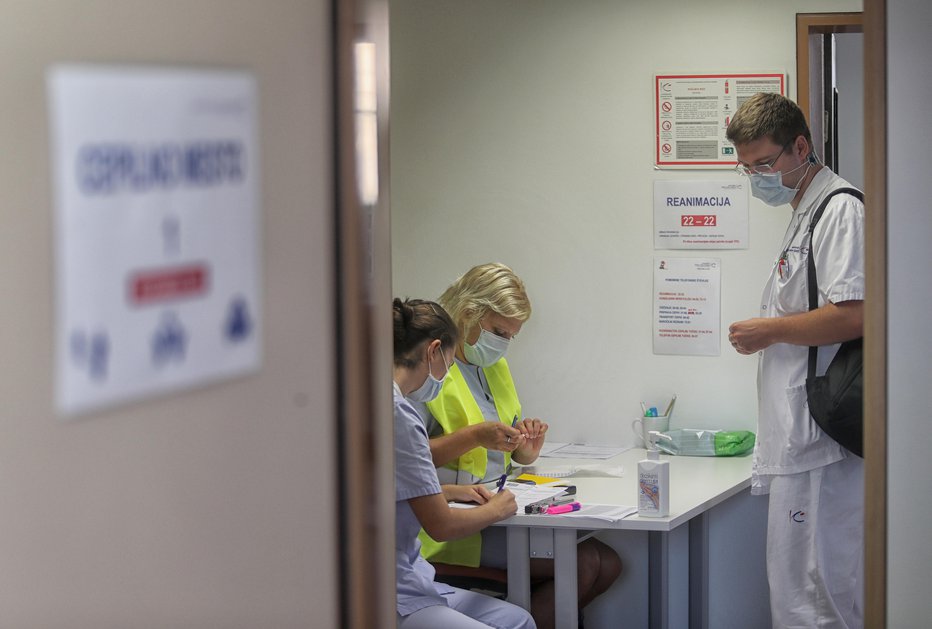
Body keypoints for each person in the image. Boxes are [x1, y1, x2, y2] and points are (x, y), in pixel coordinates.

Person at [416, 263, 621, 629]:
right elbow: (406, 457)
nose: (504, 343)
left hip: (501, 509)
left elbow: (506, 449)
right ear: (468, 314)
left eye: (511, 335)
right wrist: (475, 436)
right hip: (451, 525)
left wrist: (525, 446)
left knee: (608, 563)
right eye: (499, 331)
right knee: (586, 561)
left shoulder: (494, 365)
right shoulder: (428, 370)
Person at [726, 92, 864, 629]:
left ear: (801, 146)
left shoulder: (840, 208)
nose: (757, 176)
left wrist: (770, 330)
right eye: (747, 168)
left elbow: (856, 314)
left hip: (821, 443)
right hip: (799, 439)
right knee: (797, 598)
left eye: (765, 163)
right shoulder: (804, 211)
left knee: (819, 600)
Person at [393, 297, 537, 629]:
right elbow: (441, 527)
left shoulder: (383, 402)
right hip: (394, 588)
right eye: (449, 363)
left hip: (414, 575)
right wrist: (498, 507)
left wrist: (444, 490)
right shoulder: (399, 413)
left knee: (521, 620)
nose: (448, 374)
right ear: (433, 352)